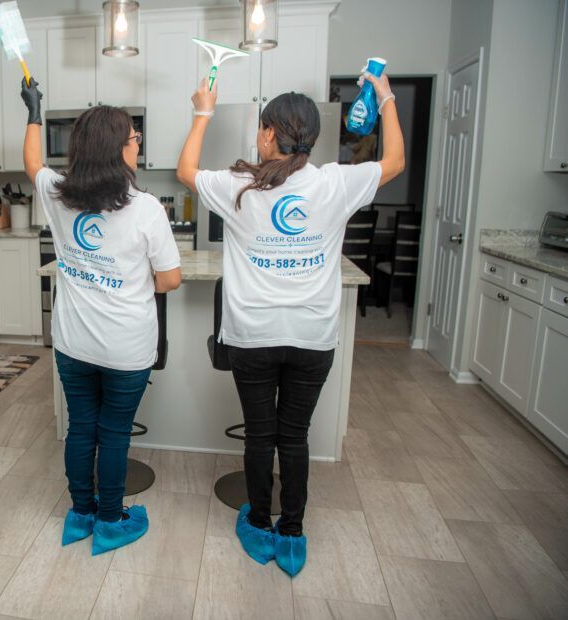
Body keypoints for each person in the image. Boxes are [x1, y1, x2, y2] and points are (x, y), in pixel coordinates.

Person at [177, 71, 404, 576]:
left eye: (262, 129)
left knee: (261, 436)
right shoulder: (336, 183)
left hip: (251, 337)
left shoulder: (239, 186)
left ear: (268, 134)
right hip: (312, 338)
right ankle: (293, 535)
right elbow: (395, 162)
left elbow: (186, 169)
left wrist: (203, 110)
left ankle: (259, 526)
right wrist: (385, 96)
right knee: (293, 437)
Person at [21, 78, 182, 555]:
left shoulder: (56, 193)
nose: (138, 144)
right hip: (125, 348)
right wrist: (131, 282)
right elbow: (170, 279)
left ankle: (80, 516)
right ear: (118, 149)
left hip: (72, 344)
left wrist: (34, 109)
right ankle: (111, 522)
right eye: (134, 137)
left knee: (80, 428)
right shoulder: (147, 208)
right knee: (113, 436)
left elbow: (33, 163)